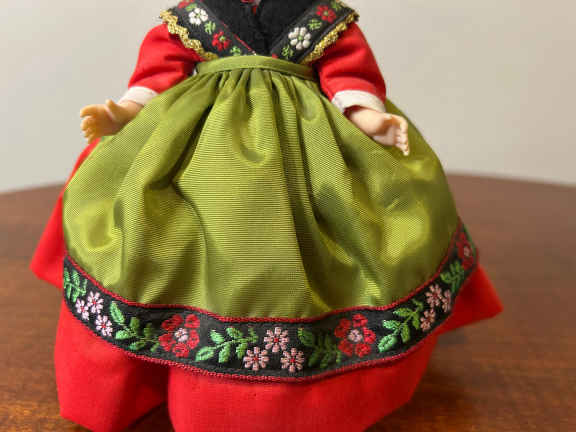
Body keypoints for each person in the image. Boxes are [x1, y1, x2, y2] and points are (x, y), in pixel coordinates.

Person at [31, 1, 502, 431]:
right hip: (200, 145)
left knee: (361, 223)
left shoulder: (323, 17)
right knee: (155, 226)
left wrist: (369, 117)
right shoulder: (193, 17)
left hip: (309, 147)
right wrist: (123, 112)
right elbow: (157, 73)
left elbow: (348, 77)